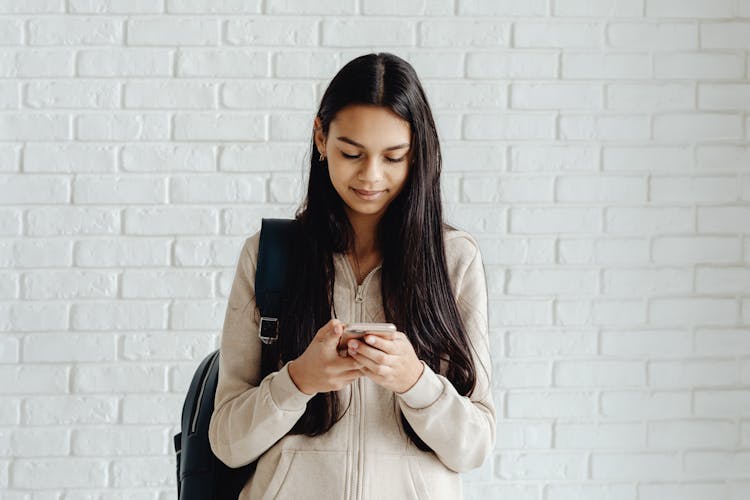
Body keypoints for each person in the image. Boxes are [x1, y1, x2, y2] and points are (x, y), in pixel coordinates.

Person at [208, 52, 494, 500]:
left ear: (417, 153)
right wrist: (299, 380)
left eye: (394, 157)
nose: (371, 176)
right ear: (321, 138)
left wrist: (414, 381)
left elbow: (474, 446)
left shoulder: (453, 259)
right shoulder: (271, 255)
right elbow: (226, 441)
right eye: (351, 153)